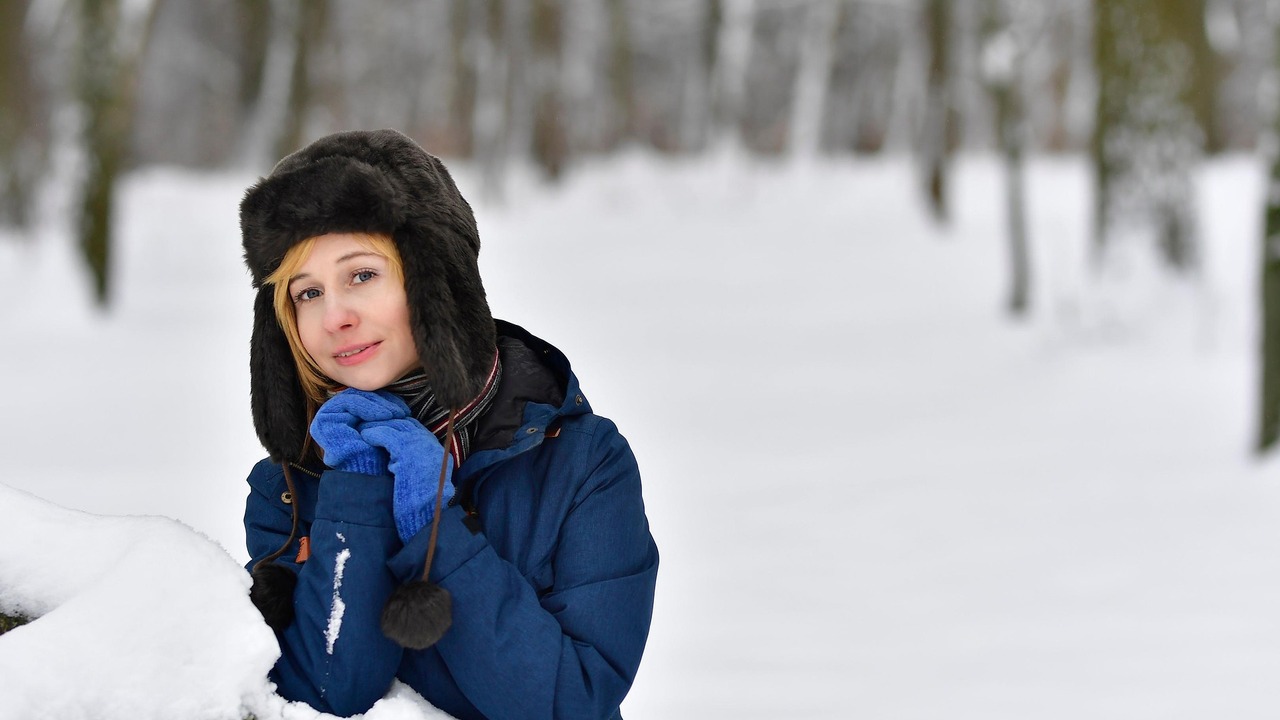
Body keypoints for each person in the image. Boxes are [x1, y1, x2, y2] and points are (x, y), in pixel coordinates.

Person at [239, 129, 658, 719]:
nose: (335, 316)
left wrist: (436, 534)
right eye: (307, 293)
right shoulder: (286, 486)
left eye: (361, 275)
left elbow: (572, 703)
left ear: (436, 280)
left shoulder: (582, 462)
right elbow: (328, 695)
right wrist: (357, 492)